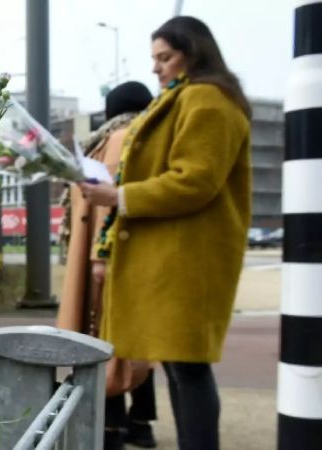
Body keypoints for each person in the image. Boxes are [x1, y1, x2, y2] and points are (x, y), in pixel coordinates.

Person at [79, 16, 252, 450]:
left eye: (165, 57)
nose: (156, 68)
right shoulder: (189, 99)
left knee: (187, 368)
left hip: (189, 259)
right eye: (154, 58)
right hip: (180, 256)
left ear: (194, 53)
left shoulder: (207, 101)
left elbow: (195, 181)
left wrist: (119, 197)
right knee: (181, 367)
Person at [56, 81, 157, 450]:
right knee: (135, 343)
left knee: (106, 339)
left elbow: (106, 206)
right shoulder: (139, 137)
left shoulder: (108, 140)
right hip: (122, 257)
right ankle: (140, 424)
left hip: (105, 258)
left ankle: (111, 426)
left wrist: (98, 257)